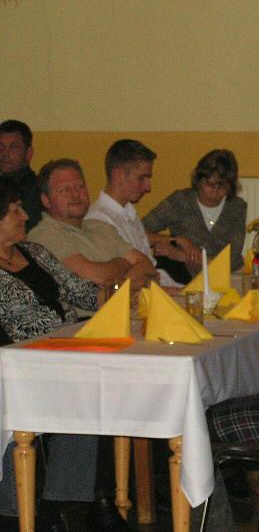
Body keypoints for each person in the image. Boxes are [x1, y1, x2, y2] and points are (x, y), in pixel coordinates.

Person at [0, 178, 129, 532]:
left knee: (102, 381)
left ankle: (64, 502)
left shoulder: (34, 253)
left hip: (65, 354)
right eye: (14, 210)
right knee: (88, 388)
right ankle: (83, 502)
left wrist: (119, 289)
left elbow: (85, 293)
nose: (25, 216)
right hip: (19, 367)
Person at [28, 159, 157, 291]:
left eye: (80, 186)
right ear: (46, 200)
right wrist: (124, 264)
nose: (75, 194)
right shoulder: (44, 236)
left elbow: (148, 267)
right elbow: (95, 277)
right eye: (64, 190)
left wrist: (117, 287)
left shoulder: (100, 226)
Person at [85, 139, 189, 286]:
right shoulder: (99, 221)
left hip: (158, 283)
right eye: (142, 178)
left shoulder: (127, 212)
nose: (148, 187)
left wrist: (174, 240)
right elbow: (129, 284)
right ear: (118, 175)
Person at [143, 149, 246, 273]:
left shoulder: (236, 207)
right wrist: (176, 240)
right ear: (199, 180)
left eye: (222, 187)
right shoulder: (180, 201)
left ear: (230, 187)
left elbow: (233, 260)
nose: (215, 192)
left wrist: (183, 256)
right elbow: (139, 231)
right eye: (210, 184)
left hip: (221, 275)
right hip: (182, 276)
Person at [0, 119, 42, 231]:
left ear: (29, 153)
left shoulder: (35, 192)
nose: (5, 153)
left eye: (13, 147)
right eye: (1, 147)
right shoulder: (3, 185)